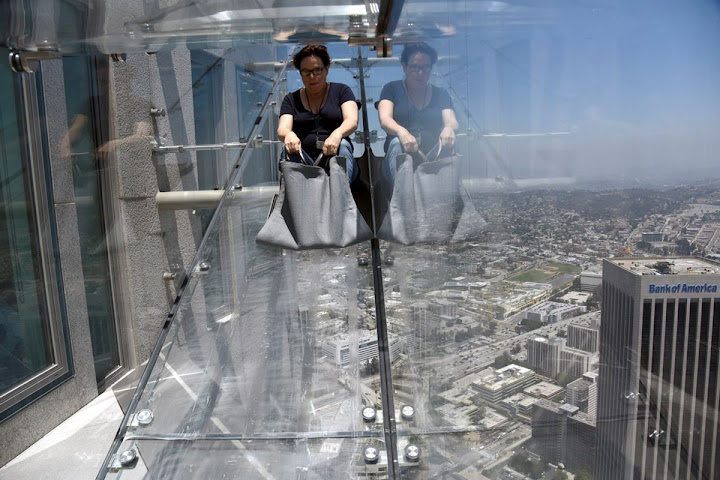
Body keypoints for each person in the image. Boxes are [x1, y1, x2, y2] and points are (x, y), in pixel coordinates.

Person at [378, 42, 459, 183]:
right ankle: (401, 199)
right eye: (415, 67)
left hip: (431, 159)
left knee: (450, 142)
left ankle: (448, 197)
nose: (420, 73)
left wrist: (449, 128)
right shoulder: (391, 88)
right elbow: (385, 119)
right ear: (404, 67)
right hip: (398, 157)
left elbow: (451, 121)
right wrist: (401, 132)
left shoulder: (441, 94)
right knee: (396, 143)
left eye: (425, 67)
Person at [277, 44, 359, 182]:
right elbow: (282, 129)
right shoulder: (291, 99)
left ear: (327, 69)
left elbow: (352, 120)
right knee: (288, 150)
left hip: (335, 157)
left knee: (343, 145)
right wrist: (289, 134)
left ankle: (340, 199)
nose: (312, 76)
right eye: (306, 72)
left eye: (317, 70)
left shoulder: (342, 91)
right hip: (304, 160)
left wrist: (337, 135)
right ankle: (296, 200)